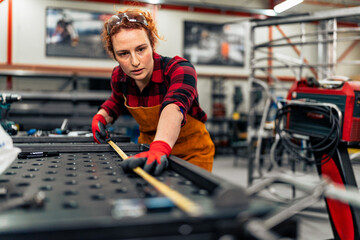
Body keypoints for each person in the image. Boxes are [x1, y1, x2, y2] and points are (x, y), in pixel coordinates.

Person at [91, 9, 215, 175]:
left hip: (191, 155)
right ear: (114, 55)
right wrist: (101, 116)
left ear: (152, 44)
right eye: (124, 54)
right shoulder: (120, 77)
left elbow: (174, 108)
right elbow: (116, 101)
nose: (135, 62)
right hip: (148, 152)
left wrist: (160, 148)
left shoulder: (179, 70)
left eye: (141, 49)